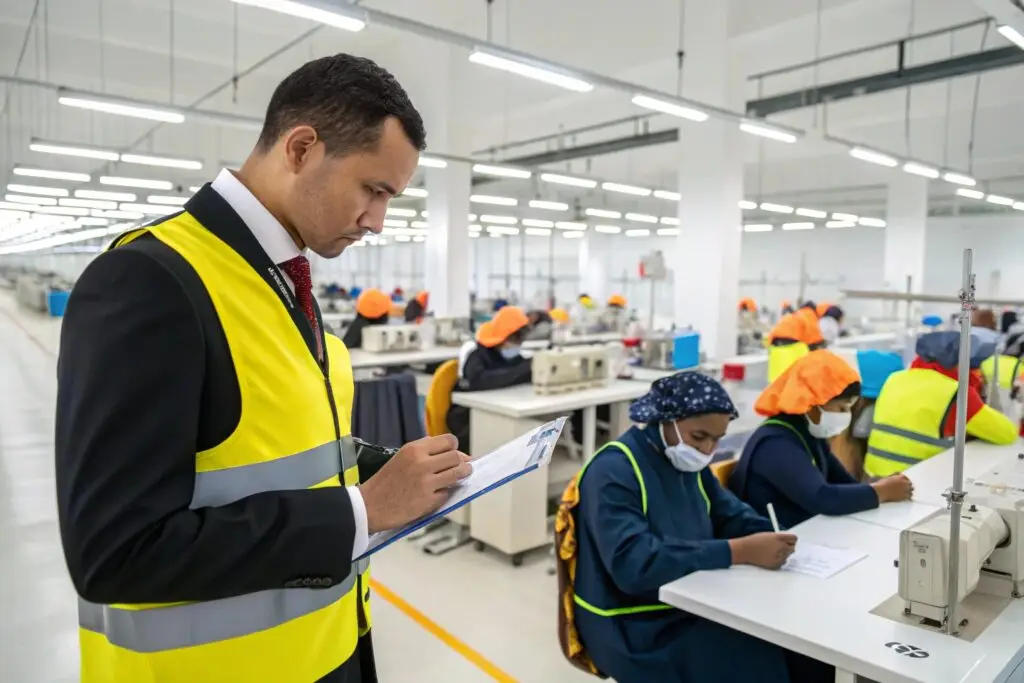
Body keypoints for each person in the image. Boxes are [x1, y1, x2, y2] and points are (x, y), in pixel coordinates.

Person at [55, 54, 475, 683]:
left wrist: (387, 470)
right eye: (373, 189)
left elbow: (273, 443)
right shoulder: (150, 282)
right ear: (302, 148)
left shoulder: (279, 282)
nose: (377, 220)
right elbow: (116, 552)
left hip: (328, 651)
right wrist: (361, 510)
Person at [561, 372, 832, 683]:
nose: (707, 450)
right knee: (758, 653)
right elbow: (634, 565)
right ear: (665, 421)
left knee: (801, 648)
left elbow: (730, 514)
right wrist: (738, 551)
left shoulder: (685, 461)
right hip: (631, 622)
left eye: (717, 440)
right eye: (699, 437)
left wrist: (772, 534)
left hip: (683, 596)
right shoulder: (614, 470)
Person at [730, 350, 913, 529]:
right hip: (775, 539)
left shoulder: (808, 435)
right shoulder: (776, 443)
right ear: (811, 405)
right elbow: (822, 498)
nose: (846, 416)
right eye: (841, 409)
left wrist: (881, 487)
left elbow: (844, 483)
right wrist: (881, 491)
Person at [864, 331, 1019, 478]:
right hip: (911, 482)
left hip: (873, 476)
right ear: (958, 364)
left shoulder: (895, 378)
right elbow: (1006, 433)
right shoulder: (956, 392)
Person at [447, 306, 533, 449]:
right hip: (468, 416)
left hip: (500, 407)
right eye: (514, 340)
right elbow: (480, 381)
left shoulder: (511, 356)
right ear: (503, 337)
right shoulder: (476, 353)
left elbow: (521, 373)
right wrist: (524, 369)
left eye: (519, 341)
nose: (517, 346)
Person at [767, 301, 825, 381]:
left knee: (778, 382)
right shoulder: (809, 314)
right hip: (791, 348)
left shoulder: (795, 315)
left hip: (775, 348)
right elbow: (815, 340)